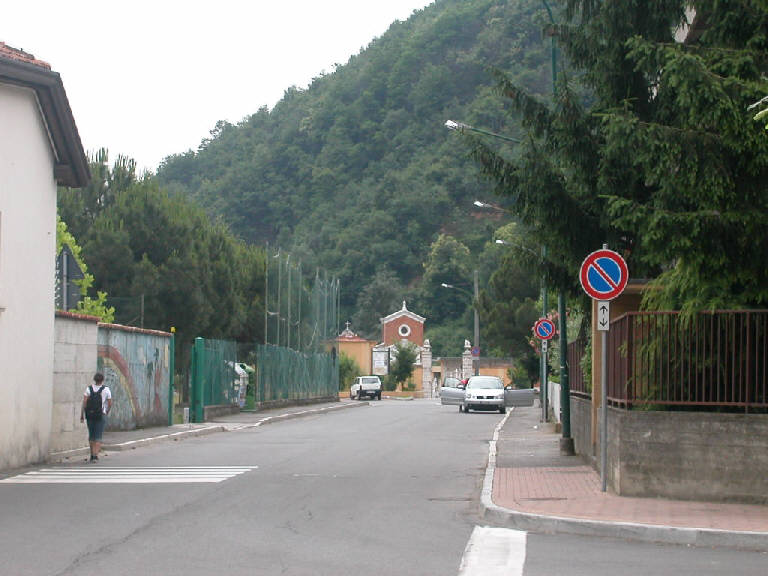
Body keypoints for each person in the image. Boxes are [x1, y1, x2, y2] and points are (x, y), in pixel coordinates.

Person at [80, 372, 112, 462]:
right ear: (102, 380)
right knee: (98, 435)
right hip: (101, 414)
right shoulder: (106, 389)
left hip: (90, 414)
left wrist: (82, 415)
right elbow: (110, 403)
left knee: (91, 434)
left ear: (94, 379)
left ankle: (91, 454)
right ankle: (95, 456)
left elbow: (84, 402)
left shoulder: (88, 388)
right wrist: (106, 411)